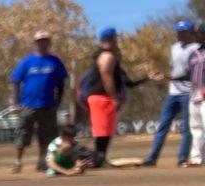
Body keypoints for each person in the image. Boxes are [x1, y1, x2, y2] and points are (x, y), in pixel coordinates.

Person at [80, 29, 160, 166]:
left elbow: (128, 83)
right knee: (102, 131)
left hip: (101, 97)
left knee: (105, 130)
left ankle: (101, 158)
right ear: (113, 39)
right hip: (101, 97)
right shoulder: (106, 56)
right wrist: (114, 98)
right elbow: (106, 75)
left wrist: (147, 78)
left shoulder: (110, 59)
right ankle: (98, 159)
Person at [10, 31, 68, 174]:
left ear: (49, 43)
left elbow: (61, 84)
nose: (42, 43)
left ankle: (42, 161)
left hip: (47, 105)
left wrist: (58, 101)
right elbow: (16, 81)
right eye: (39, 41)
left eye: (45, 41)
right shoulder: (26, 62)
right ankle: (18, 161)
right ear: (35, 44)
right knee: (22, 133)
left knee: (47, 136)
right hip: (28, 105)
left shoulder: (55, 62)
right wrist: (16, 102)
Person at [143, 21, 197, 166]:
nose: (178, 34)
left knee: (186, 128)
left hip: (188, 92)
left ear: (190, 33)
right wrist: (163, 78)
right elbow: (174, 69)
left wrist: (170, 77)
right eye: (177, 31)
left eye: (182, 31)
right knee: (162, 126)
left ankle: (182, 158)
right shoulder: (174, 48)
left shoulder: (196, 48)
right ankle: (151, 158)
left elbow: (191, 73)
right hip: (173, 93)